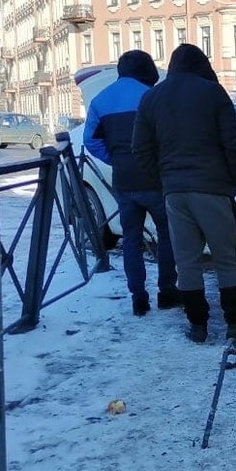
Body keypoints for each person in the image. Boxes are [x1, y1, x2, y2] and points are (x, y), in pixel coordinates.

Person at [132, 44, 236, 343]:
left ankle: (198, 326)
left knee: (187, 261)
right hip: (213, 190)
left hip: (175, 193)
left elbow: (140, 148)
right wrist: (232, 181)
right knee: (226, 259)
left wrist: (165, 180)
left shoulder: (151, 98)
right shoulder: (212, 92)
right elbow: (234, 140)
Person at [83, 50, 178, 316]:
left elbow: (90, 141)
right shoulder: (154, 97)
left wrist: (116, 158)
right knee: (167, 236)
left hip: (124, 182)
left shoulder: (101, 100)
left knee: (131, 240)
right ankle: (168, 291)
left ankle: (138, 298)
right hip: (155, 179)